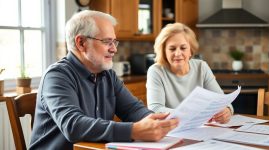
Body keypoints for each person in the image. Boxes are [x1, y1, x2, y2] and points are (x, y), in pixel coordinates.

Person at [29, 10, 178, 149]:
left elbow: (133, 109)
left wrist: (160, 122)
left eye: (114, 42)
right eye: (107, 42)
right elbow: (73, 125)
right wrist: (133, 130)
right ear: (81, 43)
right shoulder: (57, 76)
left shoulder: (107, 75)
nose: (114, 49)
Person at [146, 23, 233, 124]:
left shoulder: (202, 67)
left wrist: (227, 110)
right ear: (164, 51)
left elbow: (221, 100)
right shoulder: (156, 71)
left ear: (190, 51)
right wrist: (190, 115)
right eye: (172, 49)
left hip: (200, 129)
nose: (178, 53)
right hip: (171, 130)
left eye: (183, 48)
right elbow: (155, 108)